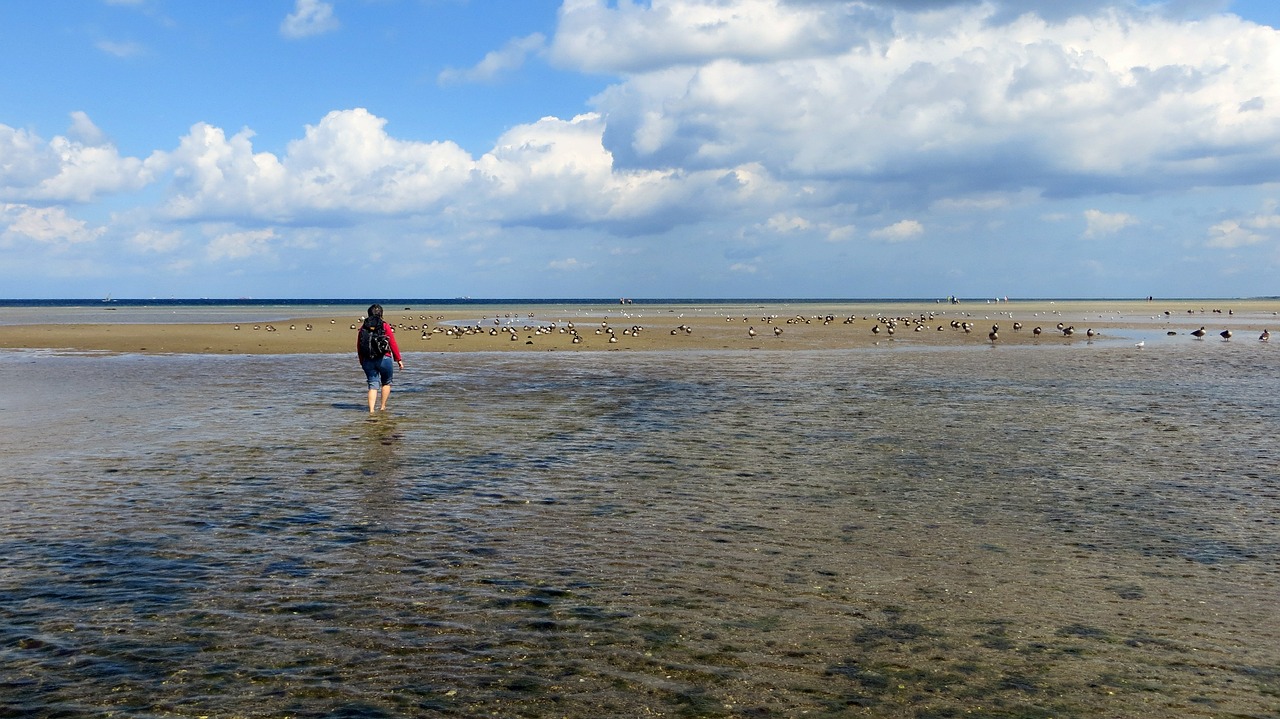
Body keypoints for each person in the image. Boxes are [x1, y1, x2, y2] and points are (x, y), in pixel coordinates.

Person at [356, 303, 404, 414]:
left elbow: (359, 344)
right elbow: (392, 342)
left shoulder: (363, 327)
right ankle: (382, 407)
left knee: (372, 385)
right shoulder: (384, 325)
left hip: (367, 359)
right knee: (386, 383)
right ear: (381, 313)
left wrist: (361, 360)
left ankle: (371, 411)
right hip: (384, 358)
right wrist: (398, 359)